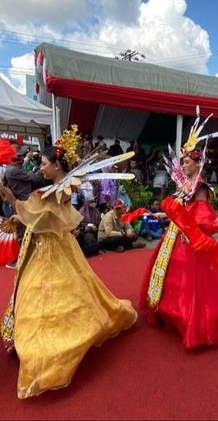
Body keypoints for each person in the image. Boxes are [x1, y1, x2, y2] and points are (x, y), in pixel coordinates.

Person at [0, 141, 137, 399]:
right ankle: (25, 339)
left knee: (50, 297)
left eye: (43, 164)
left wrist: (22, 213)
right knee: (32, 296)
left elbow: (49, 218)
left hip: (53, 252)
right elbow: (36, 213)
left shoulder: (61, 192)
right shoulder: (50, 189)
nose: (40, 168)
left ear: (57, 165)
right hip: (40, 249)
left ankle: (46, 350)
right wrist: (13, 203)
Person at [140, 116, 218, 349]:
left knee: (193, 282)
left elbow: (203, 214)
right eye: (183, 162)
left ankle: (195, 320)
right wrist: (164, 215)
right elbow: (179, 210)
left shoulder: (201, 186)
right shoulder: (184, 185)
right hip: (175, 235)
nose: (183, 165)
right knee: (173, 277)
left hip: (191, 239)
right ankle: (170, 312)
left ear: (198, 164)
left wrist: (192, 231)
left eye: (187, 162)